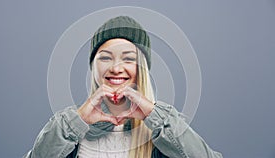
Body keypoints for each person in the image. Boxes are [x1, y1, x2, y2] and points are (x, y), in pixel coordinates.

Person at [24, 16, 223, 158]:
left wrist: (155, 116)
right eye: (105, 58)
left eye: (128, 58)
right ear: (94, 68)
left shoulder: (163, 131)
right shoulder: (69, 129)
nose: (116, 68)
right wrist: (77, 120)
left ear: (142, 68)